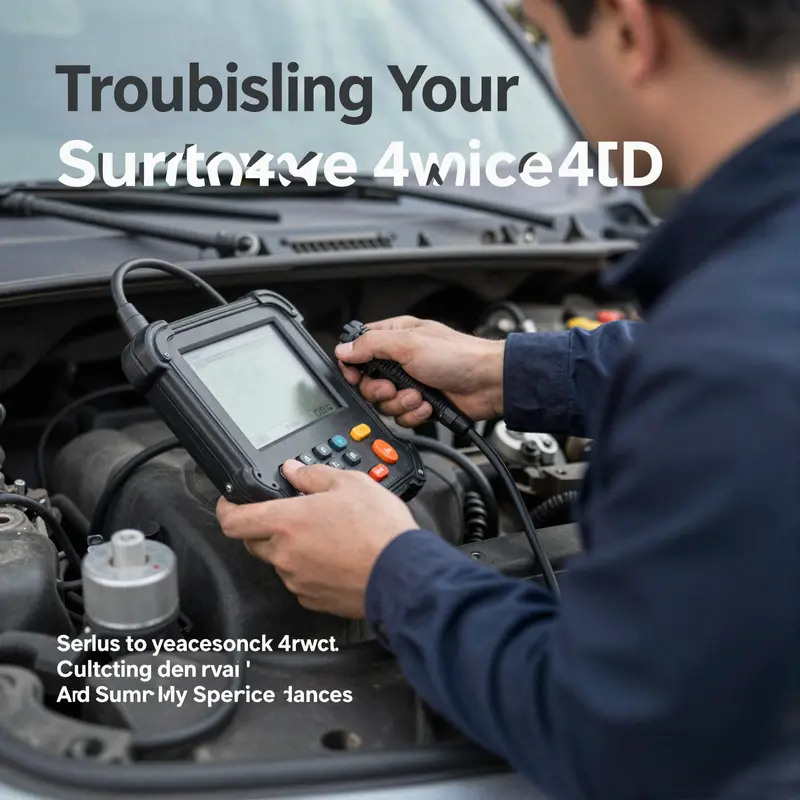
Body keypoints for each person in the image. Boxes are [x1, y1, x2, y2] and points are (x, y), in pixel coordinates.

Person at [216, 1, 800, 797]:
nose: (551, 74)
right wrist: (504, 371)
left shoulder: (732, 351)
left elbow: (619, 740)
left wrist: (391, 574)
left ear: (631, 32)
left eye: (545, 38)